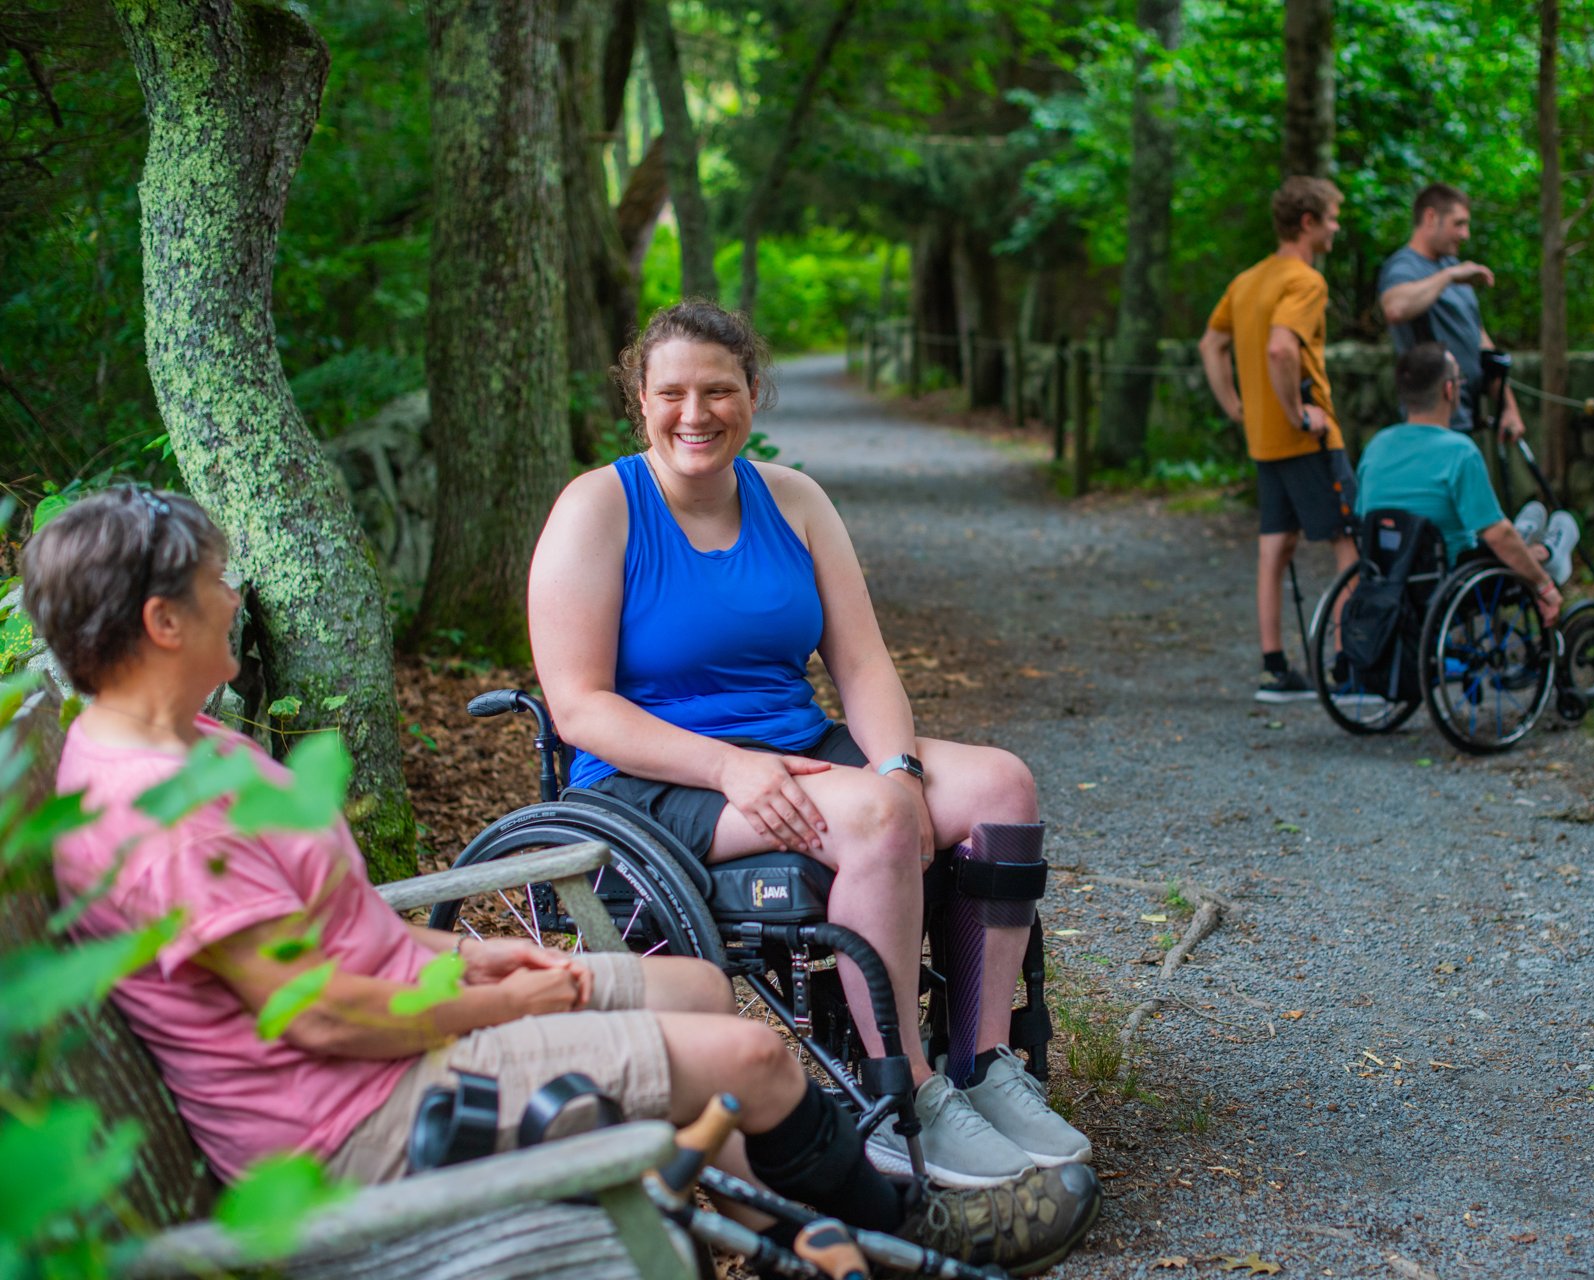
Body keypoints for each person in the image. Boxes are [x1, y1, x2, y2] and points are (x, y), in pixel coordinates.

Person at [22, 487, 1098, 1272]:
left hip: (393, 1032)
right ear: (161, 622)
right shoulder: (153, 812)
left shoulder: (199, 746)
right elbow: (328, 1014)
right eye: (213, 583)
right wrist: (515, 996)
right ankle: (904, 1229)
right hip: (354, 1118)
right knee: (752, 1057)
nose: (231, 596)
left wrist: (468, 947)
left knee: (689, 987)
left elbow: (335, 932)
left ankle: (799, 1222)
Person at [526, 300, 1093, 1192]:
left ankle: (986, 1064)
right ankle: (903, 1093)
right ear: (640, 399)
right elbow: (580, 708)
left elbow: (862, 663)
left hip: (796, 746)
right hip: (652, 776)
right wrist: (728, 766)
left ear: (754, 393)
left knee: (1000, 787)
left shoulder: (794, 500)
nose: (695, 413)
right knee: (872, 816)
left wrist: (901, 769)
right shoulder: (599, 509)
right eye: (671, 392)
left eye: (719, 390)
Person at [1199, 175, 1359, 702]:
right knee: (1348, 544)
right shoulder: (1305, 281)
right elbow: (1281, 349)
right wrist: (1298, 412)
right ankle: (1350, 666)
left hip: (1263, 442)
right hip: (1307, 439)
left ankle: (1275, 668)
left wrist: (1236, 407)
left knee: (1276, 549)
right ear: (1309, 223)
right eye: (1333, 217)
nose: (1338, 227)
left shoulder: (1248, 280)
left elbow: (1211, 344)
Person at [1354, 344, 1578, 626]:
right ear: (1449, 390)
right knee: (1539, 529)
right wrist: (1544, 587)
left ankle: (1526, 535)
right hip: (1452, 584)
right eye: (1459, 380)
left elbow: (1364, 520)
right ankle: (1548, 553)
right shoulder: (1459, 452)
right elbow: (1495, 535)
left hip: (1387, 579)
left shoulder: (1377, 446)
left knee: (1502, 534)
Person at [1377, 182, 1527, 441]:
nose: (1465, 234)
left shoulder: (1453, 267)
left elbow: (1479, 340)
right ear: (1431, 217)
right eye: (1458, 224)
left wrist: (1508, 408)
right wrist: (1449, 276)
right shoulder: (1405, 266)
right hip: (1430, 420)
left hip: (1465, 413)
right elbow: (1395, 307)